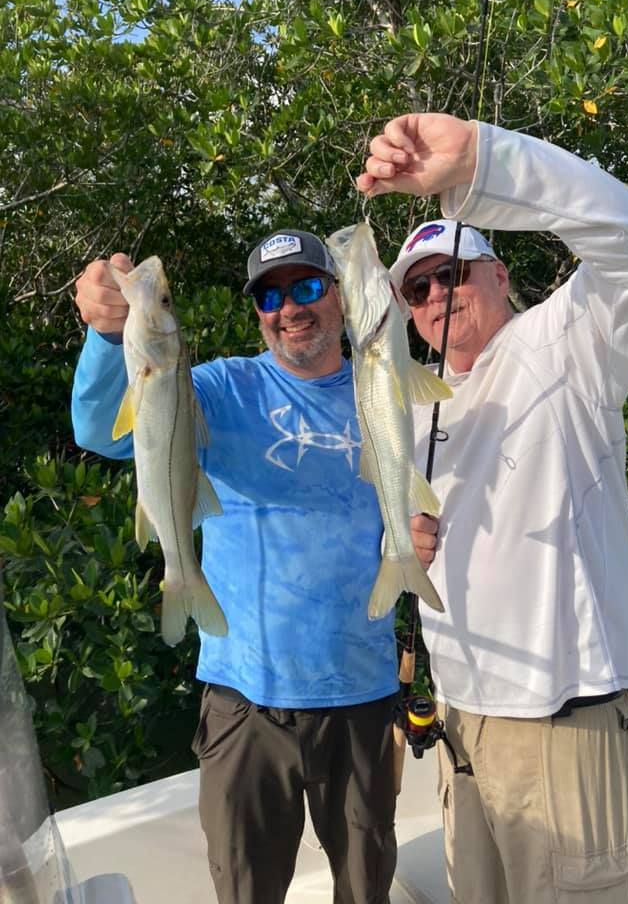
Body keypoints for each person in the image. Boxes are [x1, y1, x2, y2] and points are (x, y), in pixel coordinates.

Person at [357, 113, 628, 904]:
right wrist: (409, 545)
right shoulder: (414, 406)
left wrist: (483, 159)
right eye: (417, 289)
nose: (437, 295)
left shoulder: (567, 345)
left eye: (454, 272)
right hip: (463, 723)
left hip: (560, 723)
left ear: (501, 275)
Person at [70, 230, 399, 904]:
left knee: (366, 890)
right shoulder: (219, 387)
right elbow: (99, 430)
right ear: (256, 311)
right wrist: (108, 335)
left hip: (362, 694)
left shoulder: (387, 389)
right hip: (243, 703)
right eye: (270, 296)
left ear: (338, 295)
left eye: (307, 287)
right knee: (245, 891)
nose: (290, 308)